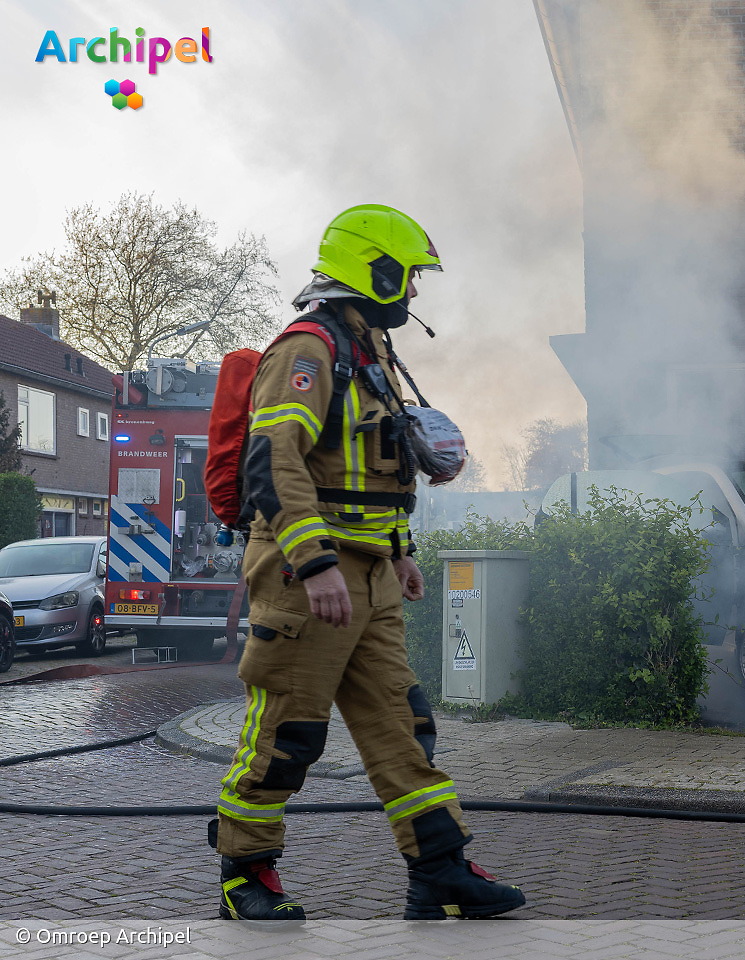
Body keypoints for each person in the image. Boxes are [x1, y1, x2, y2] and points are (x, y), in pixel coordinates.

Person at [212, 204, 525, 924]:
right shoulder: (307, 349)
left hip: (373, 572)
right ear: (371, 268)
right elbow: (275, 461)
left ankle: (440, 871)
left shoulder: (371, 351)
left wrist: (402, 553)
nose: (413, 293)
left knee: (402, 724)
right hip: (305, 575)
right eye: (407, 276)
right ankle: (245, 872)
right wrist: (317, 562)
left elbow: (373, 467)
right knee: (288, 731)